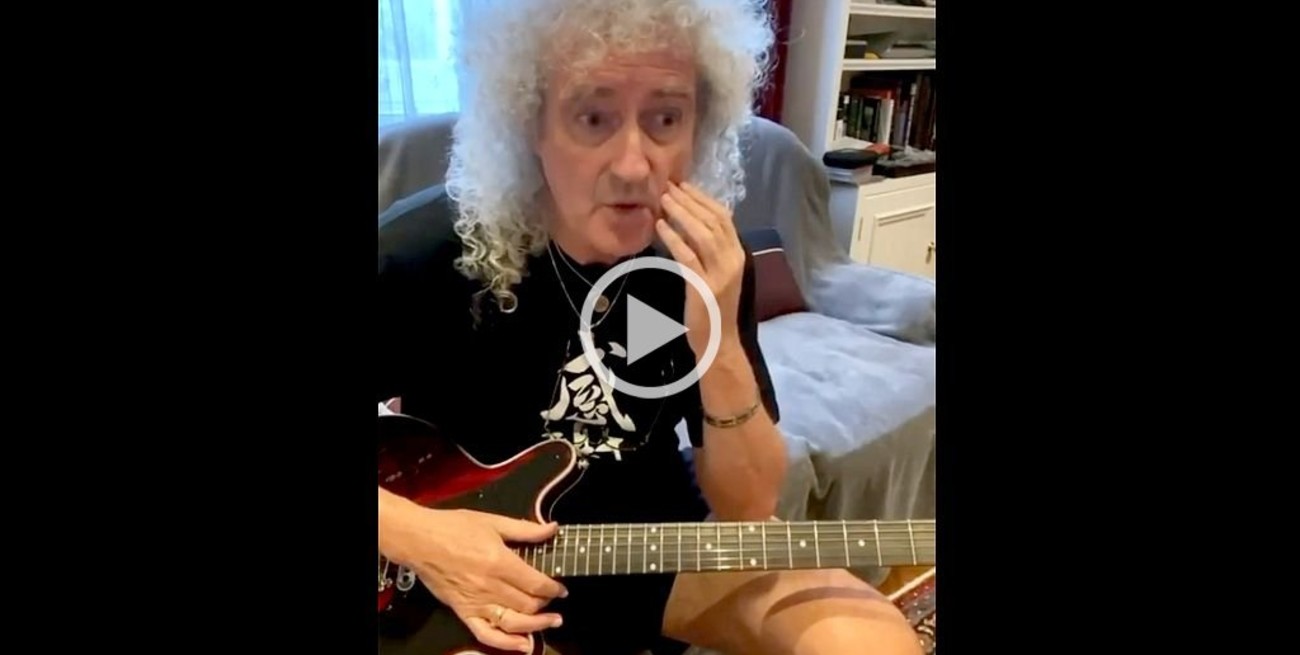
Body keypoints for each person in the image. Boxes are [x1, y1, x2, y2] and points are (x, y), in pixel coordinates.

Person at [376, 1, 923, 653]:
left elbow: (749, 506)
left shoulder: (690, 268)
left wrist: (717, 334)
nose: (635, 165)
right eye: (593, 118)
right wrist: (422, 538)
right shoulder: (425, 253)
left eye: (665, 118)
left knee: (868, 638)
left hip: (651, 553)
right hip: (471, 572)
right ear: (530, 124)